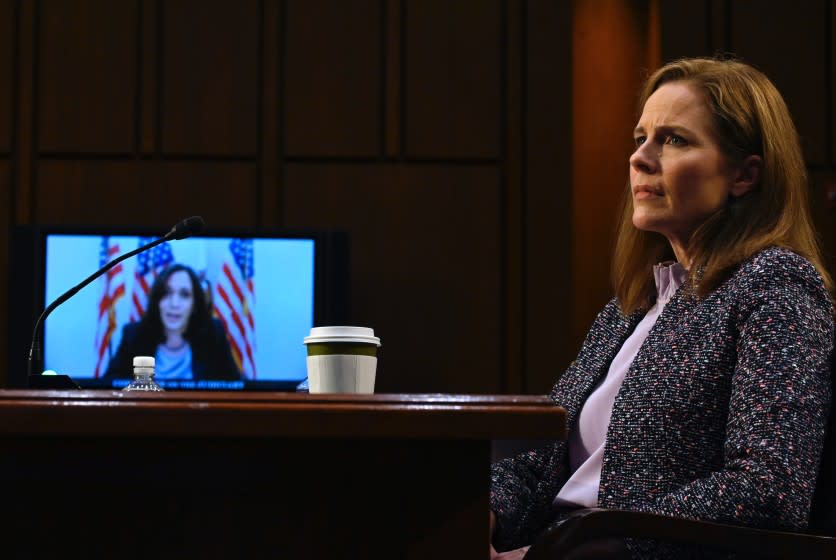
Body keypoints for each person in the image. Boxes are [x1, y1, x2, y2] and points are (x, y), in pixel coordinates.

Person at [490, 57, 834, 559]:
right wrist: (486, 514)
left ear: (745, 174)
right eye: (640, 138)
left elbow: (768, 491)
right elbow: (541, 462)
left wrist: (591, 540)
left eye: (674, 139)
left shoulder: (775, 287)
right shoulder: (633, 305)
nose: (640, 158)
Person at [103, 263, 242, 382]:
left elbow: (236, 388)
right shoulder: (135, 335)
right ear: (157, 300)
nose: (174, 304)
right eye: (167, 293)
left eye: (184, 295)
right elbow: (109, 387)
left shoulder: (213, 334)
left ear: (194, 305)